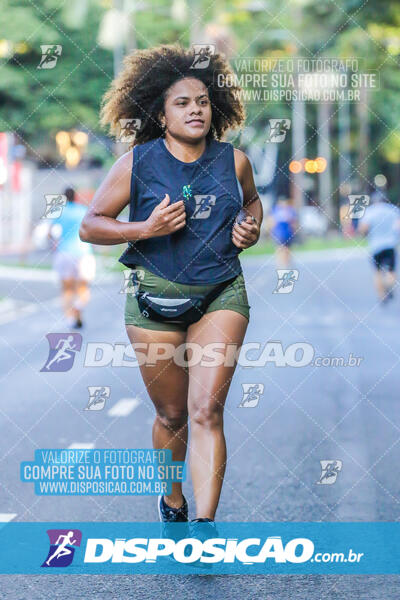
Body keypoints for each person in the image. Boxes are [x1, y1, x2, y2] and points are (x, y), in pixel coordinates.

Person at [79, 44, 262, 537]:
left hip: (220, 292)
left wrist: (250, 229)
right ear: (160, 114)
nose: (196, 109)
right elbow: (91, 225)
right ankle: (172, 496)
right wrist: (146, 228)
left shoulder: (235, 161)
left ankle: (204, 526)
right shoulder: (138, 165)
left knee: (207, 410)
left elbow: (252, 205)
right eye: (182, 103)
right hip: (153, 299)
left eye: (202, 101)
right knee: (173, 413)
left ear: (215, 107)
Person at [49, 187, 96, 328]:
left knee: (67, 289)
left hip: (64, 253)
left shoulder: (59, 212)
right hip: (84, 253)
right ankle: (79, 306)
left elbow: (51, 233)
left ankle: (70, 318)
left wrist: (55, 243)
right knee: (83, 288)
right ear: (75, 197)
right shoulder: (82, 210)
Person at [358, 188, 400, 304]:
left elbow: (363, 229)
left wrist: (366, 234)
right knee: (391, 270)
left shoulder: (369, 212)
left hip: (375, 247)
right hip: (390, 245)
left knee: (377, 273)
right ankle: (388, 285)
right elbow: (398, 227)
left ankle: (382, 296)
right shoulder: (393, 210)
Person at [267, 197, 297, 267]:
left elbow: (294, 222)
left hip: (287, 233)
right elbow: (271, 222)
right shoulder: (276, 210)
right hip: (279, 233)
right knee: (280, 248)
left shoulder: (289, 210)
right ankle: (282, 263)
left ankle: (286, 262)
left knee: (286, 248)